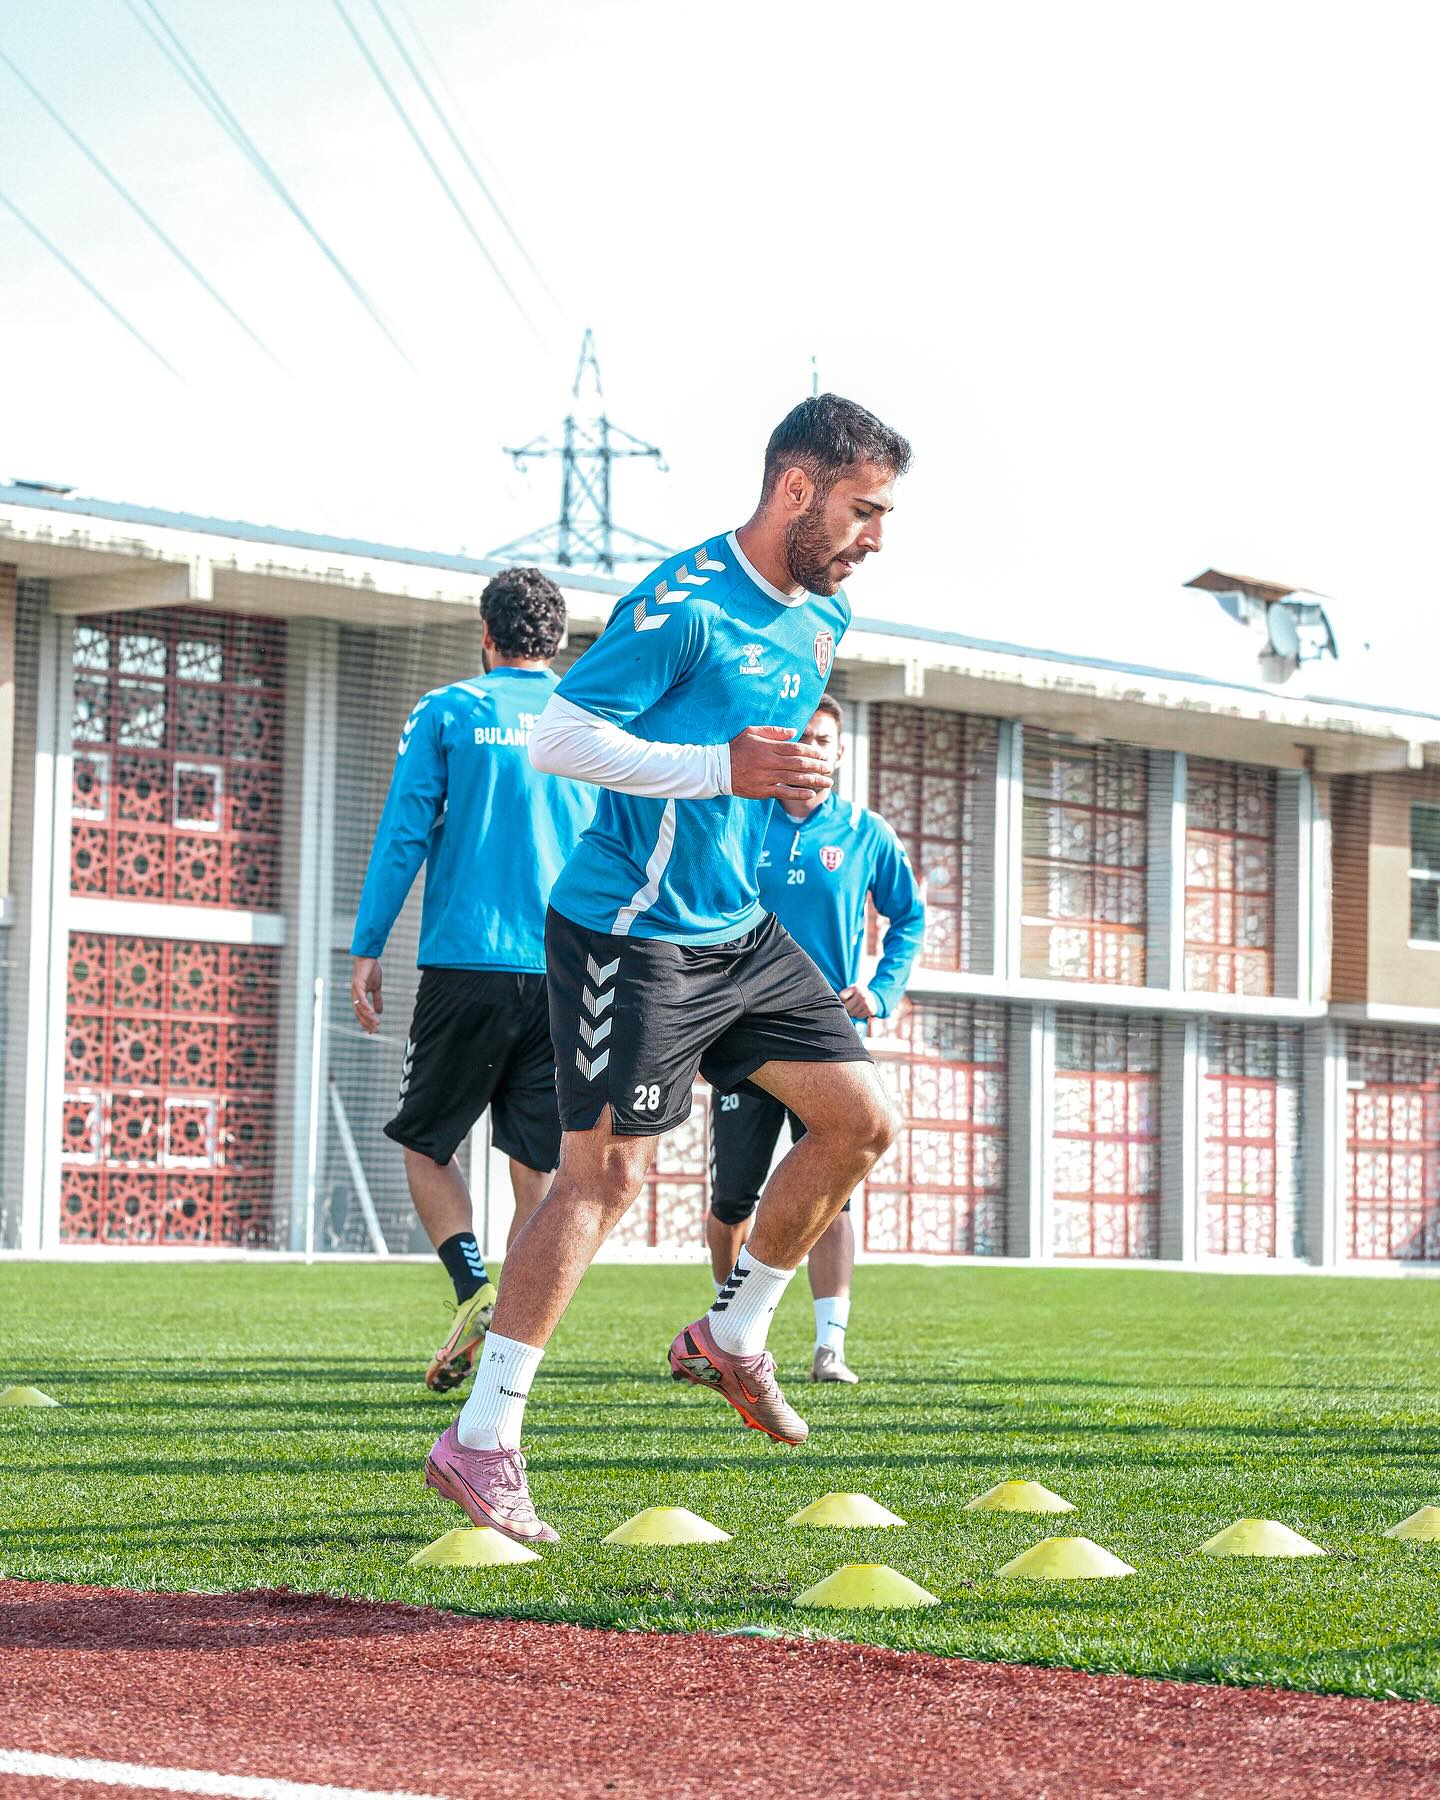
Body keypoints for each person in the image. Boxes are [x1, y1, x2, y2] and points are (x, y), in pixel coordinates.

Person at [422, 393, 912, 1545]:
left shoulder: (819, 621)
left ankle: (734, 1336)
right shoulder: (683, 603)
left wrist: (812, 762)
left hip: (736, 930)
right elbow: (560, 736)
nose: (875, 537)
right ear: (797, 490)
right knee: (605, 1180)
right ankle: (480, 1441)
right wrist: (720, 769)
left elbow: (770, 748)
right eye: (863, 510)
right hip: (626, 934)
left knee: (860, 1122)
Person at [349, 567, 595, 1392]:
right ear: (555, 642)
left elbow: (402, 834)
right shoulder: (587, 719)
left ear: (485, 635)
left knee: (424, 1144)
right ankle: (508, 1330)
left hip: (466, 964)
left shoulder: (450, 710)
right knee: (542, 1169)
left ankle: (475, 1289)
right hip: (566, 973)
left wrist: (367, 944)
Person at [708, 693, 924, 1384]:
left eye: (823, 738)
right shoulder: (741, 820)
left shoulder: (866, 834)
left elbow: (909, 919)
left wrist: (881, 989)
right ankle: (728, 1329)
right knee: (732, 1199)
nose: (811, 746)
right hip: (741, 1036)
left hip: (827, 1040)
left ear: (837, 754)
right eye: (800, 736)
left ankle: (830, 1346)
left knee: (833, 1192)